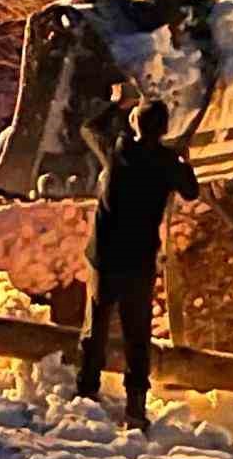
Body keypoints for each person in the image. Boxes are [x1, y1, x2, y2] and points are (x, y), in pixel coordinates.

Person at [75, 100, 198, 432]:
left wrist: (115, 103)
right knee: (137, 337)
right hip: (138, 262)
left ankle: (86, 391)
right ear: (164, 129)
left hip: (104, 256)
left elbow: (89, 127)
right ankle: (135, 408)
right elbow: (191, 191)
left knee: (96, 327)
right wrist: (184, 161)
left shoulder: (117, 152)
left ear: (135, 125)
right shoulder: (166, 164)